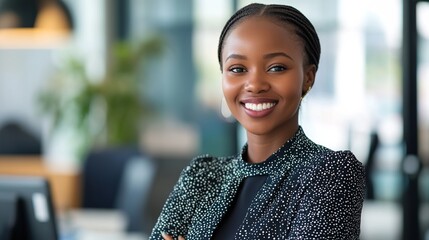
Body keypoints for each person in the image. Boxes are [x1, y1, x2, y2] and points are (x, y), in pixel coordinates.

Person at [150, 3, 365, 240]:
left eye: (276, 67)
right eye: (238, 68)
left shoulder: (330, 174)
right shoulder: (201, 175)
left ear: (308, 78)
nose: (255, 84)